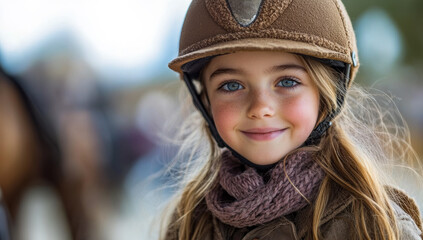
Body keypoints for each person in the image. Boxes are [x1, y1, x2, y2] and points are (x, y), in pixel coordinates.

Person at [161, 0, 423, 239]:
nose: (260, 108)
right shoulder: (188, 223)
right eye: (231, 85)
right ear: (205, 100)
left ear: (327, 94)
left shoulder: (378, 225)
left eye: (287, 82)